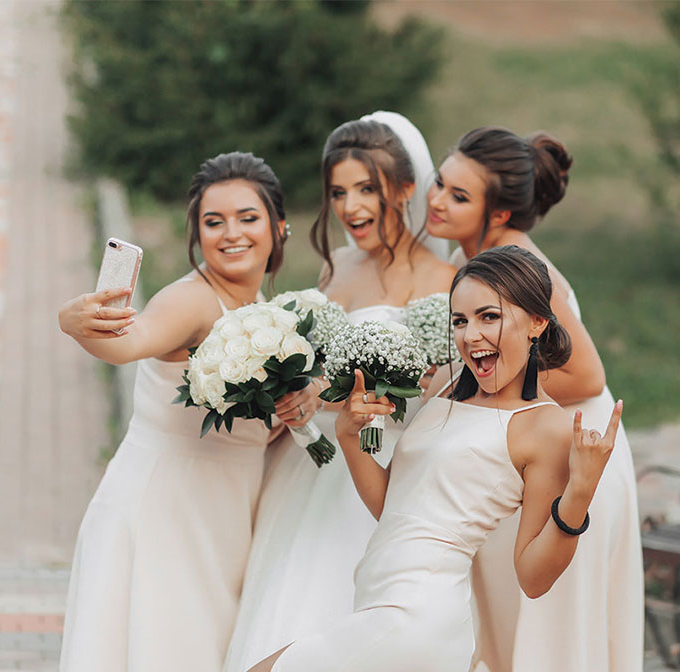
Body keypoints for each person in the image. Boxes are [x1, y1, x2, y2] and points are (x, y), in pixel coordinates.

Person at [248, 245, 623, 672]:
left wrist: (580, 493)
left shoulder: (544, 427)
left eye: (489, 317)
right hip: (377, 598)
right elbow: (395, 507)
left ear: (537, 322)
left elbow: (533, 578)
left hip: (416, 618)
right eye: (460, 321)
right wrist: (349, 437)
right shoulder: (446, 382)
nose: (471, 336)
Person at [223, 112, 455, 672]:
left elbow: (443, 397)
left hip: (378, 472)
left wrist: (340, 393)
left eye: (365, 189)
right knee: (284, 607)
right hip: (310, 471)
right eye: (338, 192)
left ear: (404, 190)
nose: (350, 208)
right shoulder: (339, 267)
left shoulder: (447, 286)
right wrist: (294, 391)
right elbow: (320, 365)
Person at [56, 152, 288, 671]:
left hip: (222, 517)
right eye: (213, 222)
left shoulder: (272, 318)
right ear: (196, 234)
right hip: (164, 510)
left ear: (279, 226)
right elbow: (129, 341)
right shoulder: (191, 301)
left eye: (248, 218)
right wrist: (77, 324)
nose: (232, 233)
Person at [426, 127, 643, 672]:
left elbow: (587, 374)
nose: (436, 201)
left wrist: (468, 386)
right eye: (439, 184)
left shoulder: (519, 262)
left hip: (574, 452)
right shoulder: (470, 253)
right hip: (525, 448)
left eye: (458, 196)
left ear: (498, 215)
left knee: (548, 630)